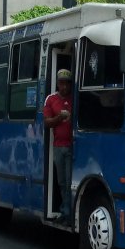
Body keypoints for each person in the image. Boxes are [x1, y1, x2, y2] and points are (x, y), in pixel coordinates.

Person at [43, 69, 73, 224]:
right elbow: (47, 122)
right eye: (62, 83)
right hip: (58, 146)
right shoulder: (51, 99)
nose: (65, 87)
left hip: (73, 146)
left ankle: (69, 213)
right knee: (62, 181)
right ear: (57, 83)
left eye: (67, 83)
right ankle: (65, 211)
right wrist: (59, 118)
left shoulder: (75, 98)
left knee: (70, 182)